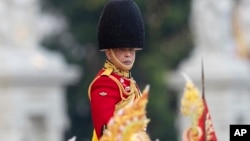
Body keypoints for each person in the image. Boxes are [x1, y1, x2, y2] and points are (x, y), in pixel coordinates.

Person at [88, 0, 147, 140]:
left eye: (131, 50)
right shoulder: (104, 83)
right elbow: (107, 131)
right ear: (109, 53)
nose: (128, 54)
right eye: (122, 49)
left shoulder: (131, 83)